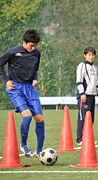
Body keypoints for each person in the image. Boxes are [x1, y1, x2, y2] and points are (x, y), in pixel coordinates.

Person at [0, 29, 45, 158]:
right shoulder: (12, 52)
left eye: (35, 46)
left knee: (40, 119)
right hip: (15, 88)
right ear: (24, 42)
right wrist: (7, 81)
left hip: (30, 88)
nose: (33, 48)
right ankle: (24, 145)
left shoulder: (37, 53)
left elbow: (35, 69)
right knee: (27, 116)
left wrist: (35, 79)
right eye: (31, 45)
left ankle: (39, 150)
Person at [76, 47, 98, 145]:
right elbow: (79, 80)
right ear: (85, 55)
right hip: (84, 96)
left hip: (92, 96)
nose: (91, 57)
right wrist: (82, 93)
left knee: (91, 119)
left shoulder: (94, 67)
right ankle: (80, 139)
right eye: (89, 55)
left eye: (92, 55)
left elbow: (96, 82)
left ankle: (88, 138)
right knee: (83, 118)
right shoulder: (81, 66)